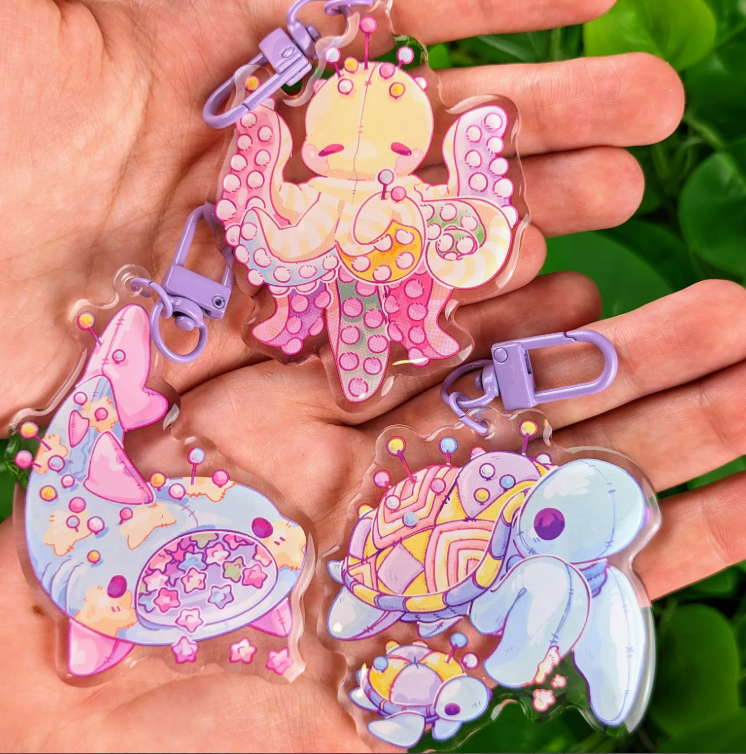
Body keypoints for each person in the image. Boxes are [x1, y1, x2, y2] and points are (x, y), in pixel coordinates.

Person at [1, 0, 744, 750]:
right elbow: (283, 227)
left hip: (391, 509)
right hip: (375, 526)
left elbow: (467, 234)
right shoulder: (338, 202)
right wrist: (266, 152)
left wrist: (463, 166)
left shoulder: (402, 207)